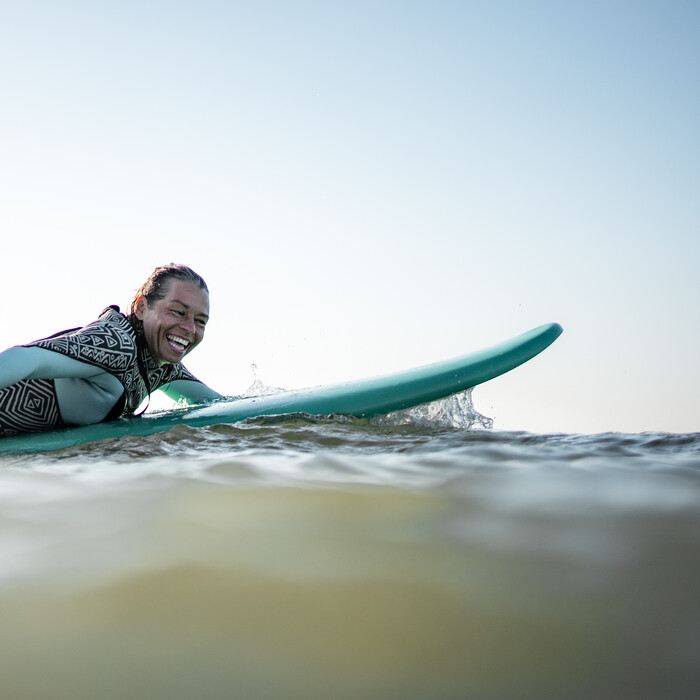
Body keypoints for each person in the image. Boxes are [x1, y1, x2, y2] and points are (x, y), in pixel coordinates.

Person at [0, 264, 222, 437]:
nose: (190, 328)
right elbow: (27, 357)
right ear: (141, 307)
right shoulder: (116, 344)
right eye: (178, 312)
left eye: (201, 321)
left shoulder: (162, 367)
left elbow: (219, 407)